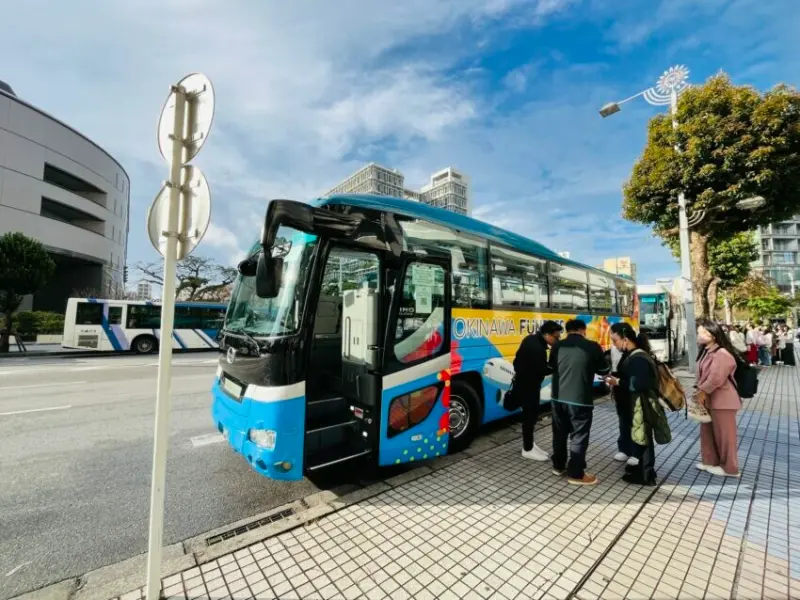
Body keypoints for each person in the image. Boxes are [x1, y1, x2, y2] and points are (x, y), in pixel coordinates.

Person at [548, 319, 609, 485]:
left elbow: (551, 367)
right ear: (583, 330)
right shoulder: (592, 346)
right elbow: (604, 370)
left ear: (567, 331)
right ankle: (576, 474)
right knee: (579, 436)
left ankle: (558, 466)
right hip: (580, 399)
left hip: (557, 398)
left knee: (559, 433)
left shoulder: (557, 346)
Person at [605, 323, 661, 485]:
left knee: (642, 437)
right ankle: (640, 470)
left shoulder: (638, 358)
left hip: (639, 405)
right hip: (631, 404)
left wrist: (617, 382)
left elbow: (638, 384)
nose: (613, 344)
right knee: (638, 435)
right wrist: (614, 377)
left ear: (625, 339)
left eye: (615, 340)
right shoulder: (631, 354)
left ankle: (646, 475)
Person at [695, 319, 741, 477]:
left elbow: (716, 378)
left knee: (725, 436)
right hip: (710, 399)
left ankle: (730, 468)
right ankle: (710, 461)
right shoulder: (707, 351)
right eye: (699, 332)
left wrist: (702, 391)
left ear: (713, 335)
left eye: (703, 332)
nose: (699, 335)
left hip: (723, 401)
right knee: (707, 431)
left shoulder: (722, 354)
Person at [513, 320, 564, 461]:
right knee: (530, 417)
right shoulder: (538, 349)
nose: (558, 340)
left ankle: (530, 444)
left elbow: (516, 361)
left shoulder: (530, 339)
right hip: (529, 387)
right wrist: (554, 364)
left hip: (524, 384)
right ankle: (527, 449)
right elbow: (543, 370)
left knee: (530, 416)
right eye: (556, 337)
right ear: (547, 335)